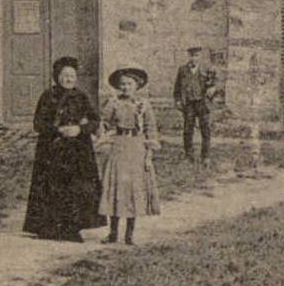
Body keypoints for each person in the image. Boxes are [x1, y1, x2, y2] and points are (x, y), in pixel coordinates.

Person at [23, 56, 102, 241]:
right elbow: (38, 124)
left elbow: (95, 121)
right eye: (65, 75)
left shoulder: (81, 97)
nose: (69, 79)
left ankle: (72, 228)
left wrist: (79, 129)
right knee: (52, 186)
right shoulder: (47, 96)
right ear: (57, 77)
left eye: (72, 76)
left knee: (76, 187)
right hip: (52, 150)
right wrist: (58, 129)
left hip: (78, 151)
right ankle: (48, 227)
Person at [99, 68, 161, 244]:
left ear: (137, 85)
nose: (126, 87)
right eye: (122, 84)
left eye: (129, 84)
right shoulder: (113, 103)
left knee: (133, 190)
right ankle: (113, 233)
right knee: (117, 189)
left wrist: (149, 154)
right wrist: (101, 131)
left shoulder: (144, 105)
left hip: (136, 148)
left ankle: (129, 235)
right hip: (118, 147)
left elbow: (151, 129)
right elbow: (104, 122)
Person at [172, 45, 217, 164]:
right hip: (189, 104)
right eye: (192, 55)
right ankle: (188, 155)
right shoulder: (182, 70)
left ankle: (205, 156)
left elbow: (213, 85)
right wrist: (177, 100)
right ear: (189, 56)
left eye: (196, 55)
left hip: (202, 103)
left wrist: (213, 89)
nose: (194, 58)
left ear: (200, 56)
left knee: (205, 129)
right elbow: (177, 87)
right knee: (188, 129)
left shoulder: (207, 69)